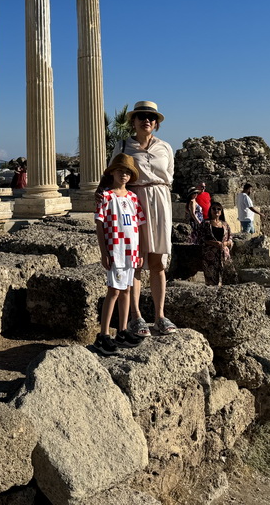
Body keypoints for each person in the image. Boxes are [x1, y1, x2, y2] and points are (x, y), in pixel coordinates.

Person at [113, 100, 176, 337]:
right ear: (133, 121)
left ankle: (160, 316)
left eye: (151, 117)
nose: (147, 120)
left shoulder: (165, 147)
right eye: (141, 116)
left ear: (156, 123)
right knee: (136, 262)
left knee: (158, 262)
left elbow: (168, 175)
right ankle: (136, 316)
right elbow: (114, 177)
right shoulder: (122, 146)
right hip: (134, 201)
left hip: (160, 200)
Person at [92, 153, 146, 355]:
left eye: (127, 172)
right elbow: (99, 223)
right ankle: (103, 335)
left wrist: (140, 251)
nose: (124, 175)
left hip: (131, 250)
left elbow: (139, 224)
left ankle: (122, 330)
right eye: (121, 170)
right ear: (113, 172)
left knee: (126, 291)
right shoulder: (105, 196)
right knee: (113, 291)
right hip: (115, 249)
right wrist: (104, 251)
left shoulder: (132, 197)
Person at [198, 202, 233, 286]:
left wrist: (226, 243)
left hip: (224, 255)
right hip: (210, 256)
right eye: (213, 208)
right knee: (211, 280)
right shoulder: (205, 224)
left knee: (228, 278)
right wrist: (213, 243)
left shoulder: (225, 224)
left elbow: (230, 238)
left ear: (221, 212)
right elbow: (201, 238)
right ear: (210, 210)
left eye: (218, 209)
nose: (216, 210)